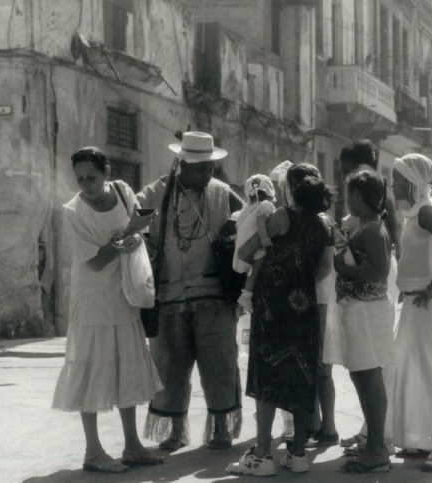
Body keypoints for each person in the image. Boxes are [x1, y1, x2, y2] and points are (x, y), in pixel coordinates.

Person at [52, 147, 163, 473]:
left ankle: (132, 446)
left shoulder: (123, 191)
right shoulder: (73, 211)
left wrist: (135, 239)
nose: (86, 184)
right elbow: (98, 261)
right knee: (92, 370)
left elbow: (139, 231)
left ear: (106, 172)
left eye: (92, 177)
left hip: (124, 293)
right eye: (80, 179)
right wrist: (124, 238)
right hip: (93, 301)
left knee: (126, 366)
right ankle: (93, 451)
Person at [138, 132, 244, 451]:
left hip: (214, 299)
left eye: (211, 167)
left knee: (220, 365)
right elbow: (131, 221)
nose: (208, 174)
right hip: (169, 299)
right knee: (169, 367)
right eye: (201, 168)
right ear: (181, 164)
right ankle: (175, 432)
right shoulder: (156, 194)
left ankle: (221, 429)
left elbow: (251, 215)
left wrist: (235, 227)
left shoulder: (223, 194)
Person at [227, 167, 334, 476]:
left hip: (273, 306)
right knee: (301, 377)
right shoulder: (324, 226)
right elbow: (325, 269)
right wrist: (300, 281)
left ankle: (262, 456)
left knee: (266, 377)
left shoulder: (283, 216)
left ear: (292, 192)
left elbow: (246, 253)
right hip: (305, 307)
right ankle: (298, 453)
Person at [388, 154, 432, 472]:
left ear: (411, 181)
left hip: (430, 301)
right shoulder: (416, 212)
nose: (392, 184)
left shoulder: (427, 211)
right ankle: (421, 439)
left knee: (430, 369)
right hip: (417, 301)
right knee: (410, 367)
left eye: (397, 178)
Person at [334, 171, 394, 473]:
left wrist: (342, 269)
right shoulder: (366, 227)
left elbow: (379, 272)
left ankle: (376, 449)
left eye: (349, 194)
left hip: (367, 312)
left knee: (369, 377)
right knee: (362, 376)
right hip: (359, 311)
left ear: (358, 196)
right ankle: (374, 442)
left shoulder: (372, 230)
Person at [233, 174, 276, 312]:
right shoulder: (266, 206)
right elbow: (261, 221)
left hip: (245, 246)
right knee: (256, 271)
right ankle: (246, 295)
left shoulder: (246, 209)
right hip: (258, 247)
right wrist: (264, 238)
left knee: (252, 272)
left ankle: (246, 297)